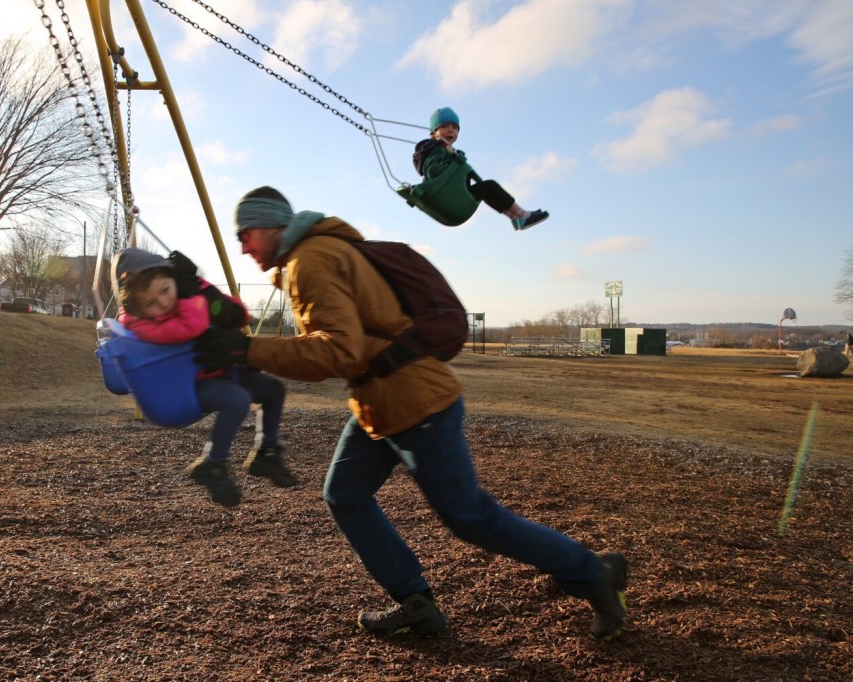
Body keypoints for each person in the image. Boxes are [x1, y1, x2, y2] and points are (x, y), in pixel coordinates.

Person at [193, 186, 628, 640]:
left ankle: (593, 572)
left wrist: (250, 349)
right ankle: (414, 603)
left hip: (417, 403)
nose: (243, 246)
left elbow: (338, 352)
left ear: (273, 226)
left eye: (246, 234)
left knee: (472, 517)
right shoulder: (317, 254)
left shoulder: (310, 261)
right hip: (379, 404)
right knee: (345, 495)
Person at [113, 246, 298, 507]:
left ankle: (266, 452)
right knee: (237, 400)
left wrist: (205, 290)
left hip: (220, 369)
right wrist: (191, 290)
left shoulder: (185, 290)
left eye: (166, 290)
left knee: (273, 389)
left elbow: (239, 313)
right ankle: (213, 463)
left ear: (172, 278)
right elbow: (192, 326)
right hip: (187, 385)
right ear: (137, 309)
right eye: (150, 303)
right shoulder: (140, 323)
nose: (163, 303)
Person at [414, 107, 549, 231]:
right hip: (447, 195)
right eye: (444, 126)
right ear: (433, 134)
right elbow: (433, 171)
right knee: (489, 187)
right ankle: (521, 215)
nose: (450, 130)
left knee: (487, 191)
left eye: (455, 128)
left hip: (455, 193)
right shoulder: (434, 149)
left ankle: (516, 217)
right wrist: (454, 163)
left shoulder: (448, 151)